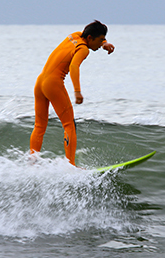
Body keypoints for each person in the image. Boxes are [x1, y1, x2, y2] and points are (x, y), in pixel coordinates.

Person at [29, 20, 115, 166]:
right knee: (69, 125)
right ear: (90, 38)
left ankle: (31, 161)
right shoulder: (83, 49)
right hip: (53, 84)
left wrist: (104, 42)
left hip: (39, 82)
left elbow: (89, 36)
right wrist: (77, 91)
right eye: (99, 40)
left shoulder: (74, 35)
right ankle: (71, 166)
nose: (100, 45)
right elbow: (74, 66)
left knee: (39, 126)